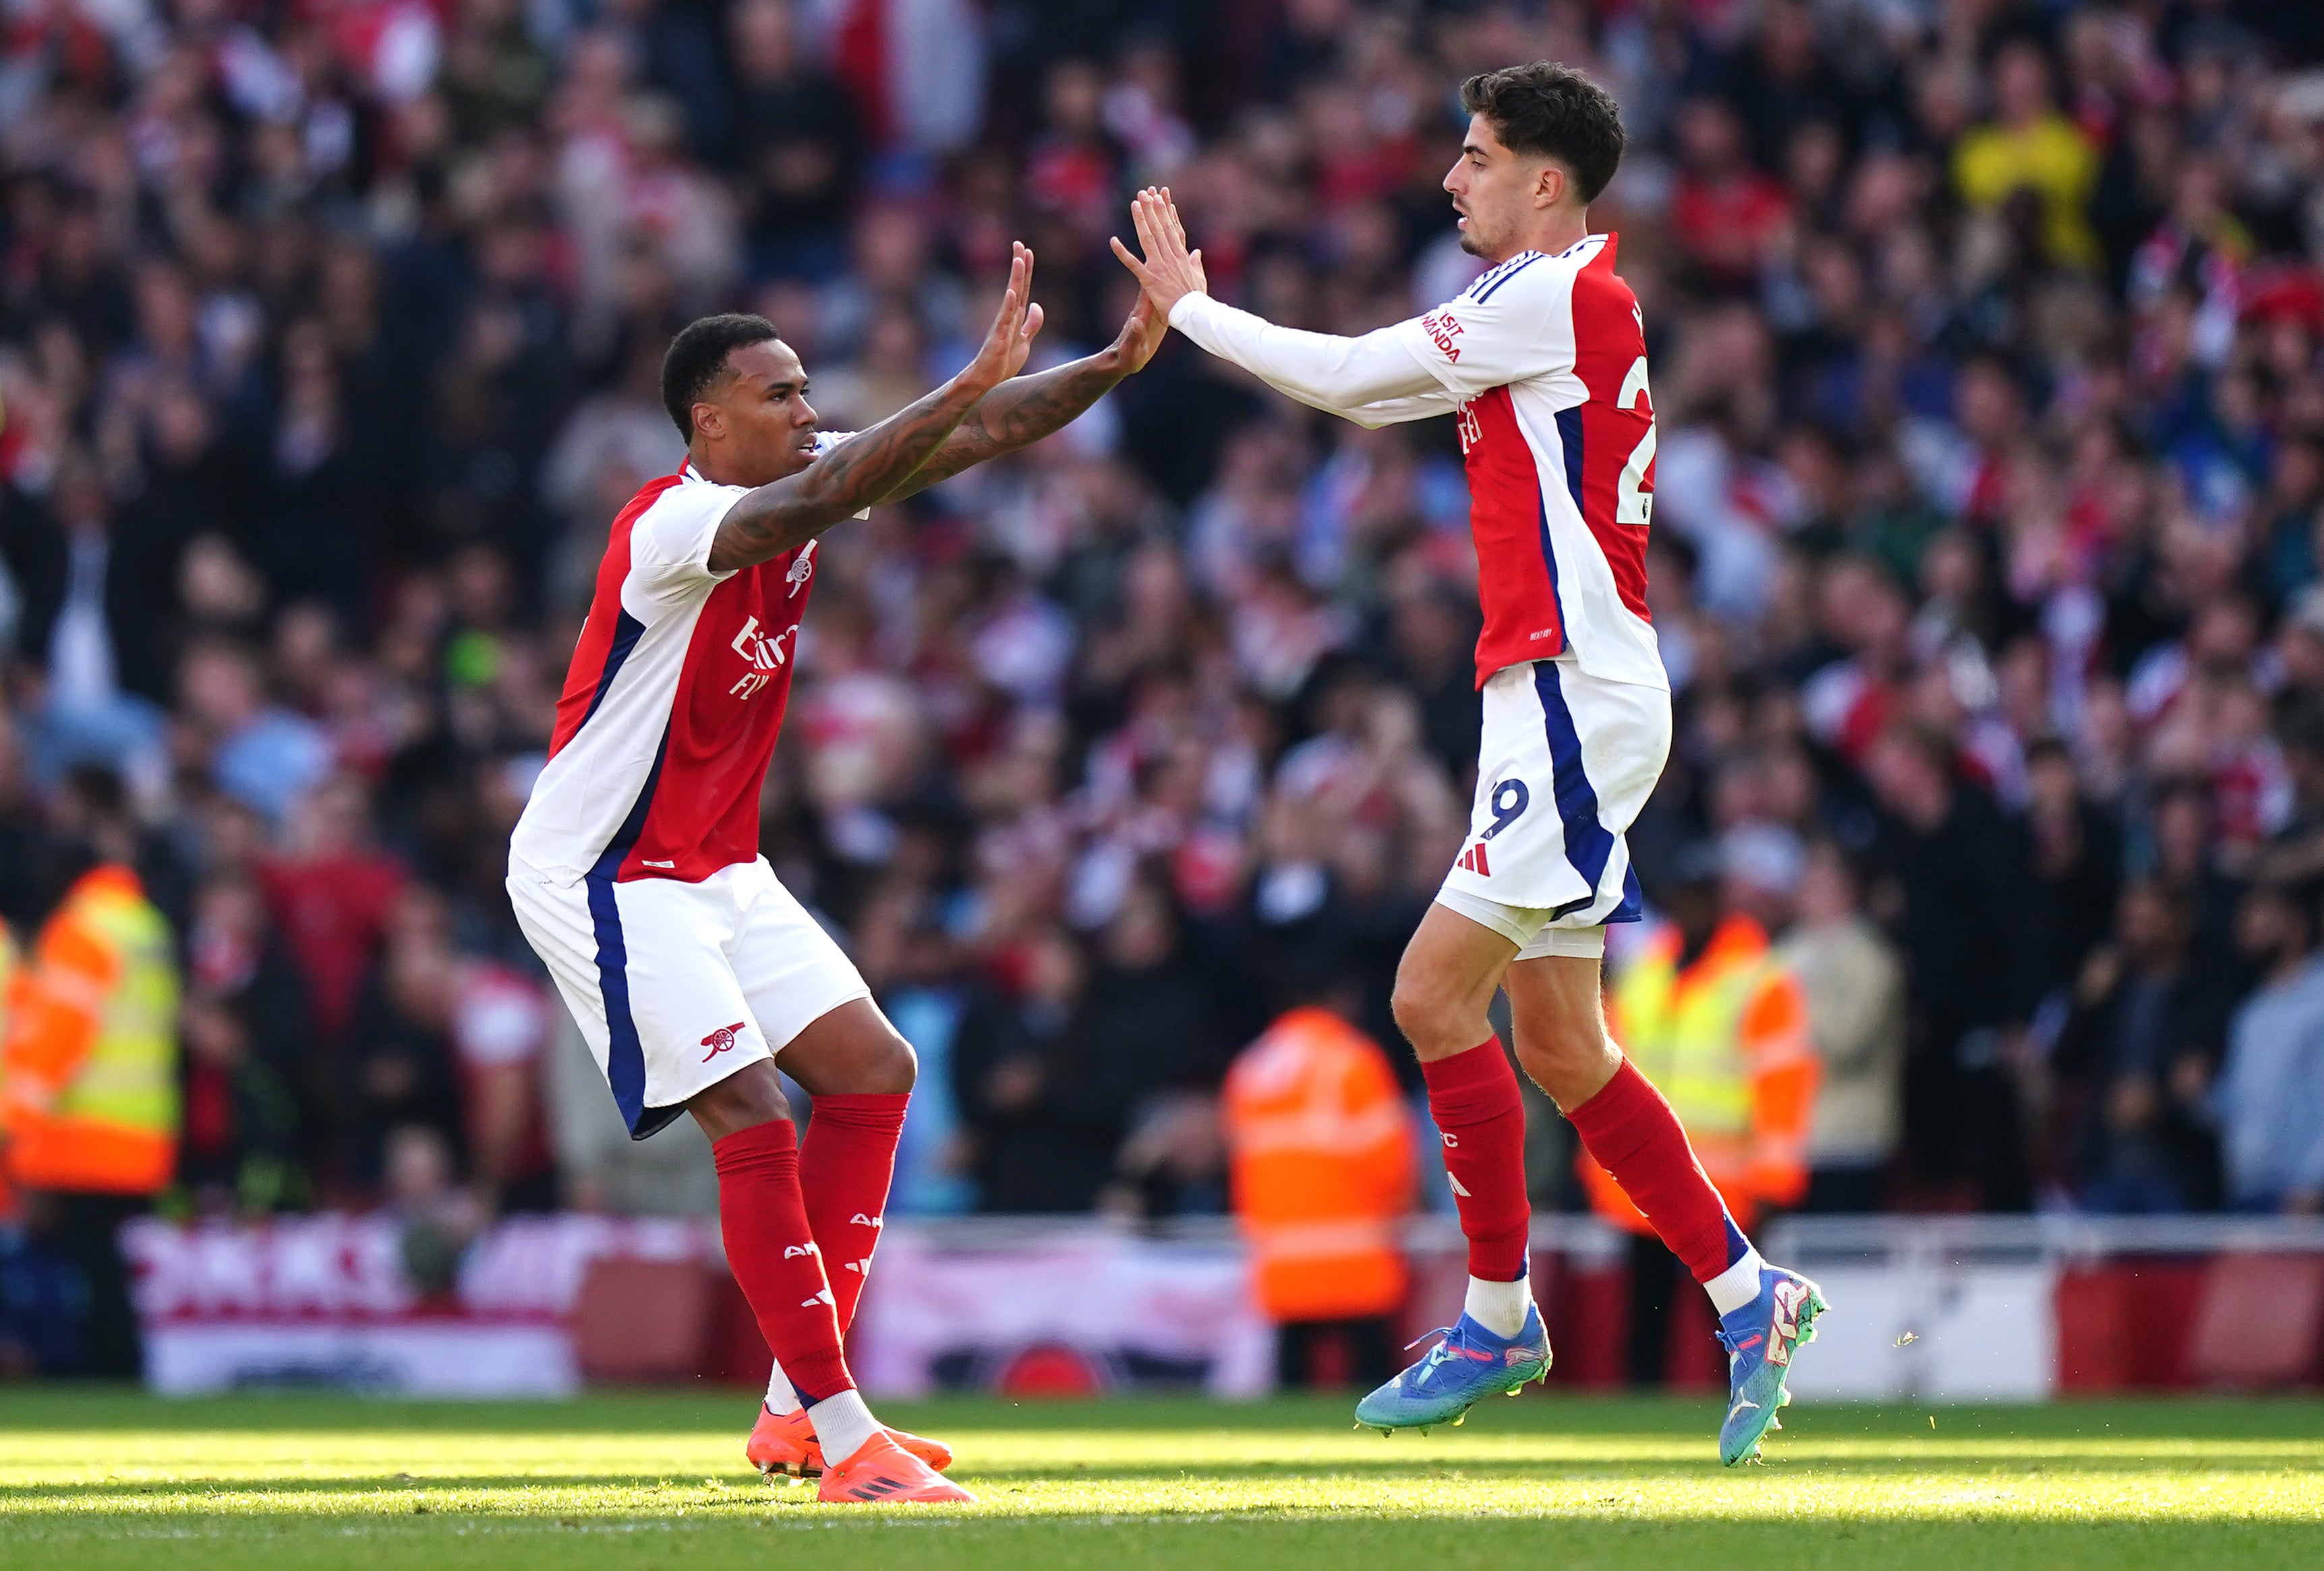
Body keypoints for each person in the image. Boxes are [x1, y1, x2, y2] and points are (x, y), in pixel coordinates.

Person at [1114, 61, 1828, 1464]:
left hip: (1568, 689)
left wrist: (1186, 306)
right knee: (1562, 1044)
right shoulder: (1564, 306)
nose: (1453, 179)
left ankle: (1500, 1313)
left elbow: (1345, 377)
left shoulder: (1546, 292)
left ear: (1544, 184)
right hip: (1563, 687)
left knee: (1431, 994)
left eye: (1478, 156)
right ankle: (1750, 1295)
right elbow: (1380, 402)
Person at [504, 242, 1166, 1505]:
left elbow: (975, 438)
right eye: (781, 394)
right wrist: (960, 378)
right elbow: (819, 500)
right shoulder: (673, 521)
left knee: (872, 1070)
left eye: (809, 392)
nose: (808, 412)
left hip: (715, 861)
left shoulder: (806, 468)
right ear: (710, 417)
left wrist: (1114, 359)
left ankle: (790, 1415)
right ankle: (848, 1430)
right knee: (751, 1109)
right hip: (606, 869)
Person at [1588, 848, 1819, 1385]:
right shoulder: (1645, 974)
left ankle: (1743, 1405)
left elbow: (1784, 1085)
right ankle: (1643, 1427)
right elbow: (1608, 1073)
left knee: (1730, 1321)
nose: (1689, 908)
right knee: (1646, 1320)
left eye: (1700, 897)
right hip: (1644, 1185)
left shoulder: (1759, 978)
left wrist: (1773, 1178)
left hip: (1724, 1187)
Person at [0, 787, 181, 1378]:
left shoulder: (82, 931)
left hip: (87, 1130)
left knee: (85, 1264)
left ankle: (98, 1367)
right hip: (145, 1125)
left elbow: (59, 1035)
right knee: (106, 1264)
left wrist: (14, 1122)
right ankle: (120, 1363)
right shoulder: (144, 924)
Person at [1220, 971, 1416, 1390]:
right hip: (1355, 1255)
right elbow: (1391, 1161)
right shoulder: (1351, 1060)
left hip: (1282, 1260)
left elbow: (1241, 1163)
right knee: (1376, 1386)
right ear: (1339, 998)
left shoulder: (1251, 1067)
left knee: (1293, 1388)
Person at [2208, 882, 2324, 1213]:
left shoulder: (2320, 1000)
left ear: (2297, 924)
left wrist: (2314, 1183)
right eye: (2245, 914)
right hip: (2247, 1187)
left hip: (2302, 1195)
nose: (2248, 924)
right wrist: (2202, 1095)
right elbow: (2245, 1104)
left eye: (2261, 913)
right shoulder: (2252, 1011)